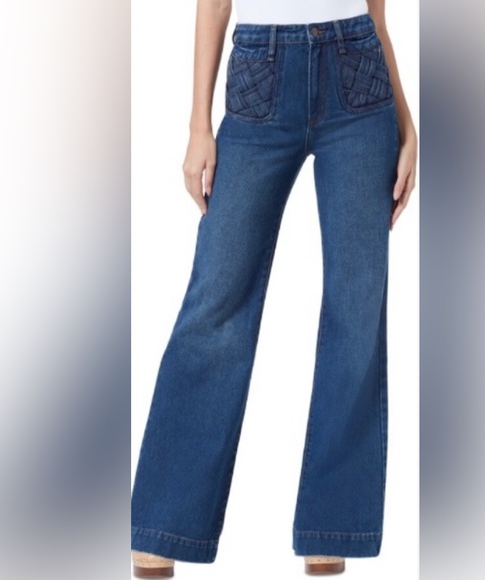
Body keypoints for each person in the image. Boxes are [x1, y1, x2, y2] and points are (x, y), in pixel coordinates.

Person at [131, 0, 417, 576]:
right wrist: (198, 125)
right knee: (216, 300)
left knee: (357, 305)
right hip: (259, 73)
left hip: (360, 79)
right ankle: (165, 520)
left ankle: (330, 525)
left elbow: (376, 12)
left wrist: (406, 123)